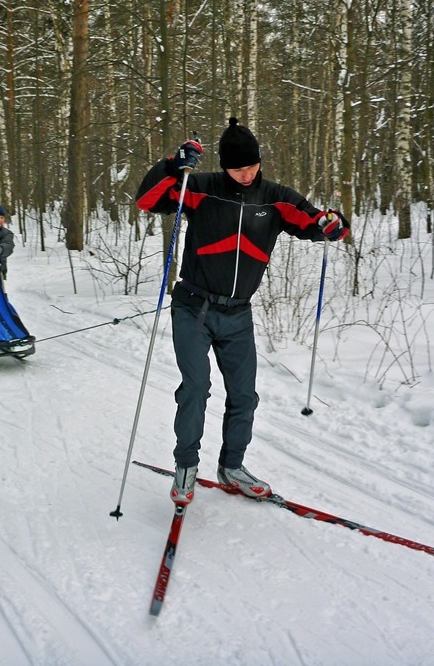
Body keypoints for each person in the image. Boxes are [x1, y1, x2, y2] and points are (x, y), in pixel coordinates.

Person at [136, 117, 349, 505]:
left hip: (238, 314)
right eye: (237, 168)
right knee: (196, 389)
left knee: (245, 396)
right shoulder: (200, 188)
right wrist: (172, 165)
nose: (246, 174)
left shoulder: (277, 197)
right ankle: (185, 467)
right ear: (224, 166)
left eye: (251, 166)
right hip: (193, 307)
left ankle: (232, 466)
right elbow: (147, 200)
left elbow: (316, 223)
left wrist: (334, 225)